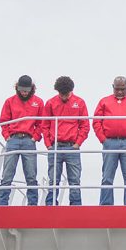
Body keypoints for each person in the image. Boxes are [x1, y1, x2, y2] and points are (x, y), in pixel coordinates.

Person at [92, 76, 126, 205]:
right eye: (117, 89)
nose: (120, 92)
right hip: (110, 142)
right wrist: (103, 139)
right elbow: (96, 121)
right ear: (113, 87)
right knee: (107, 177)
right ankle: (106, 206)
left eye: (122, 89)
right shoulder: (104, 101)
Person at [41, 76, 90, 206]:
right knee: (53, 180)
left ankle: (75, 206)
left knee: (74, 180)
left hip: (72, 147)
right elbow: (44, 125)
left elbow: (84, 125)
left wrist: (77, 144)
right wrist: (48, 145)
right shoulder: (50, 103)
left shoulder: (79, 102)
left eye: (66, 94)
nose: (63, 97)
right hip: (55, 146)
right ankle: (51, 204)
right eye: (61, 94)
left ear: (71, 91)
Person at [0, 75, 44, 206]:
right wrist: (7, 136)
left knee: (31, 175)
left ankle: (32, 205)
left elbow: (42, 123)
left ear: (31, 89)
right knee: (7, 174)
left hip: (29, 140)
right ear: (17, 88)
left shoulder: (39, 102)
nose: (24, 93)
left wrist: (36, 137)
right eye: (22, 90)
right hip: (13, 140)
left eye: (26, 90)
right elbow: (4, 121)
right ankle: (2, 204)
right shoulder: (9, 101)